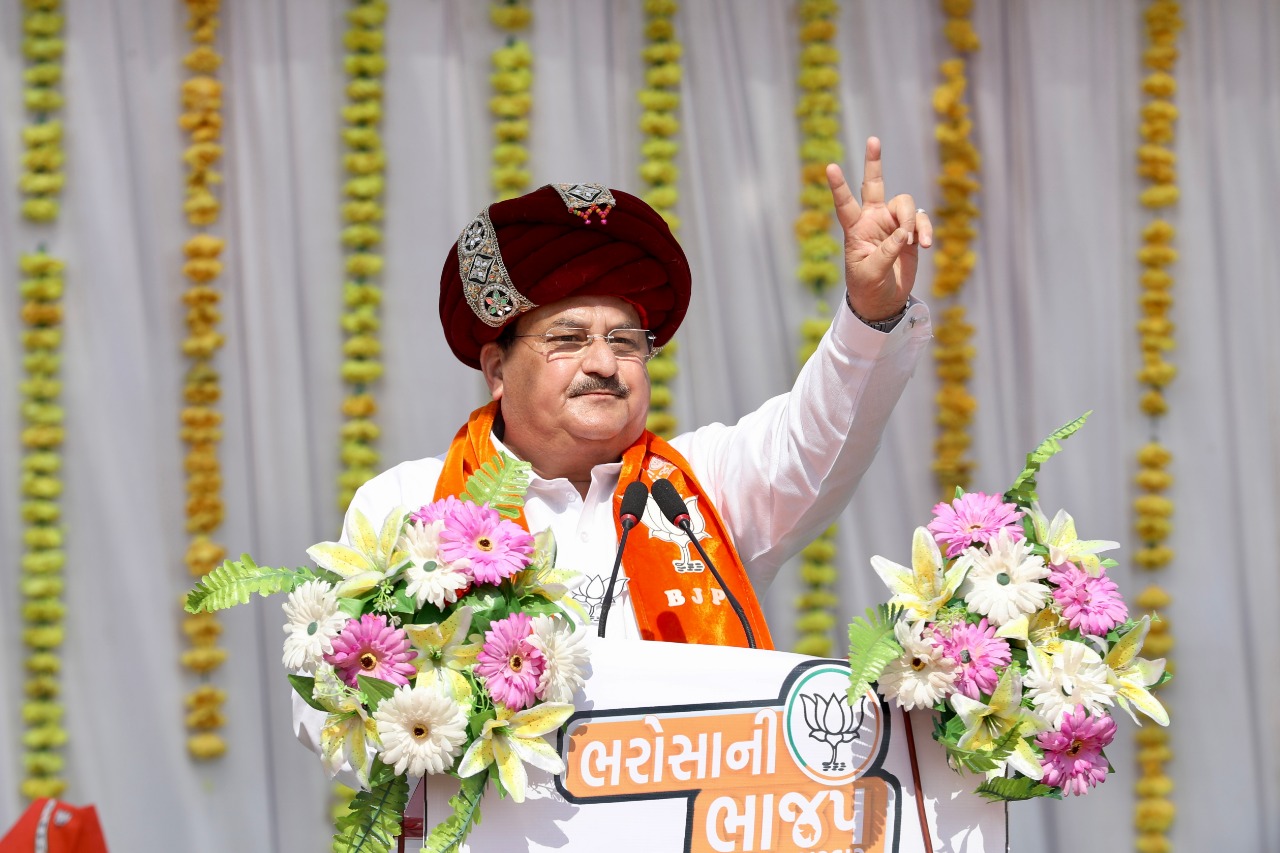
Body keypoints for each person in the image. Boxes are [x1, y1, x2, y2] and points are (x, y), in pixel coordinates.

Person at [337, 137, 932, 650]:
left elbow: (817, 441)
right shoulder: (404, 506)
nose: (603, 363)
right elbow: (333, 705)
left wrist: (872, 313)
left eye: (625, 341)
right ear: (496, 368)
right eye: (568, 339)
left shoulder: (698, 489)